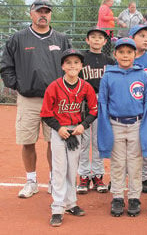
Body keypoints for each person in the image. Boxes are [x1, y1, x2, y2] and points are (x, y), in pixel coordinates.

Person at [0, 0, 71, 198]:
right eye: (39, 11)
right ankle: (31, 180)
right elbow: (6, 67)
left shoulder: (61, 39)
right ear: (31, 13)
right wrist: (18, 85)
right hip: (28, 99)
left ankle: (52, 179)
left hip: (55, 100)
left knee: (54, 141)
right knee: (27, 140)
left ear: (50, 14)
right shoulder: (18, 38)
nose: (43, 15)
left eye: (47, 11)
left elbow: (71, 64)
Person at [97, 38, 147, 217]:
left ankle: (134, 197)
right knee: (118, 163)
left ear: (134, 54)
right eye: (121, 52)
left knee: (135, 162)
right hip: (115, 124)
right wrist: (105, 126)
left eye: (129, 52)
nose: (125, 55)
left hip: (137, 124)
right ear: (115, 54)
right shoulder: (108, 75)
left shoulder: (142, 75)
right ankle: (117, 196)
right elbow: (103, 102)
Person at [40, 49, 98, 227]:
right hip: (60, 132)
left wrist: (83, 125)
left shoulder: (86, 87)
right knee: (59, 169)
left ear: (81, 66)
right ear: (62, 66)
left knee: (73, 169)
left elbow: (94, 110)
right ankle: (57, 207)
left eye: (76, 62)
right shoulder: (54, 86)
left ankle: (71, 203)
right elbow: (46, 113)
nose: (72, 66)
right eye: (68, 63)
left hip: (77, 131)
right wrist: (59, 129)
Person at [76, 27, 114, 194]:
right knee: (83, 140)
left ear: (105, 42)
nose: (97, 40)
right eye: (93, 37)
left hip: (103, 101)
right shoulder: (81, 59)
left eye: (100, 37)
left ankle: (98, 175)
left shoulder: (109, 61)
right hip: (83, 101)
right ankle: (84, 175)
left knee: (99, 140)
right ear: (87, 40)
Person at [128, 24, 147, 193]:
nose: (146, 39)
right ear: (131, 38)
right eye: (142, 35)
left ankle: (146, 177)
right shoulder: (123, 58)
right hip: (127, 108)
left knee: (146, 141)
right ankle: (126, 176)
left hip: (146, 108)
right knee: (124, 144)